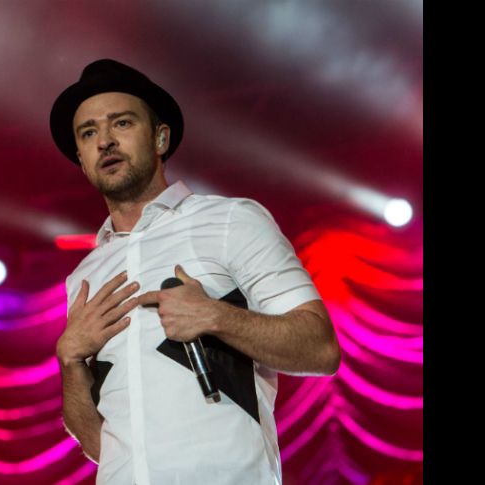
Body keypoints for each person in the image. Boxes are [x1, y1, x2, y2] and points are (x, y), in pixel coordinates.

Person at [49, 59, 341, 485]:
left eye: (122, 123)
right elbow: (99, 447)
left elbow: (320, 349)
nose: (105, 141)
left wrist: (217, 317)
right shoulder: (85, 275)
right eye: (89, 133)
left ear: (160, 137)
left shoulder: (231, 220)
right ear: (81, 158)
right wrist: (70, 361)